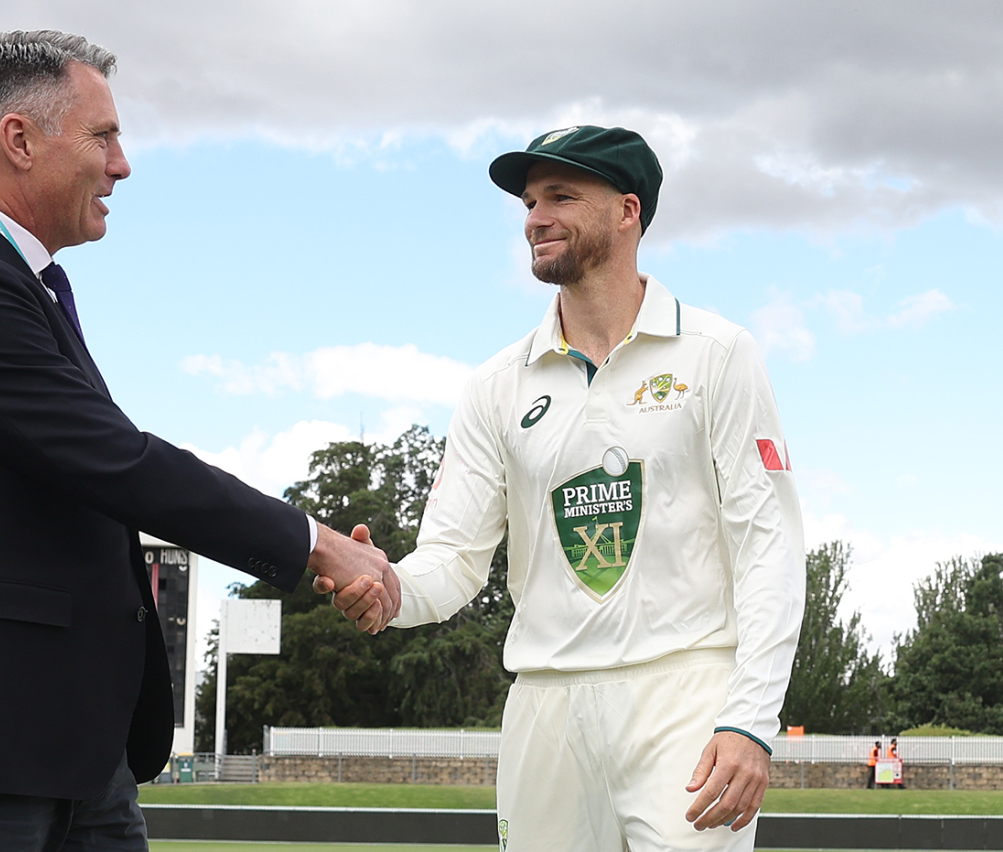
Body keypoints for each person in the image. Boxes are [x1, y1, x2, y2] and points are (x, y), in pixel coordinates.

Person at [0, 30, 396, 851]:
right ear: (19, 139)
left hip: (62, 745)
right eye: (104, 136)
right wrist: (316, 544)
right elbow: (120, 463)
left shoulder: (1, 282)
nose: (122, 164)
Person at [322, 125, 804, 851]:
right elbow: (452, 558)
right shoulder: (496, 384)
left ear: (627, 211)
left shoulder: (717, 355)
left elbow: (768, 544)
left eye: (561, 196)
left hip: (684, 693)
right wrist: (391, 590)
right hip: (544, 704)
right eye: (528, 202)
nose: (535, 219)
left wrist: (750, 720)